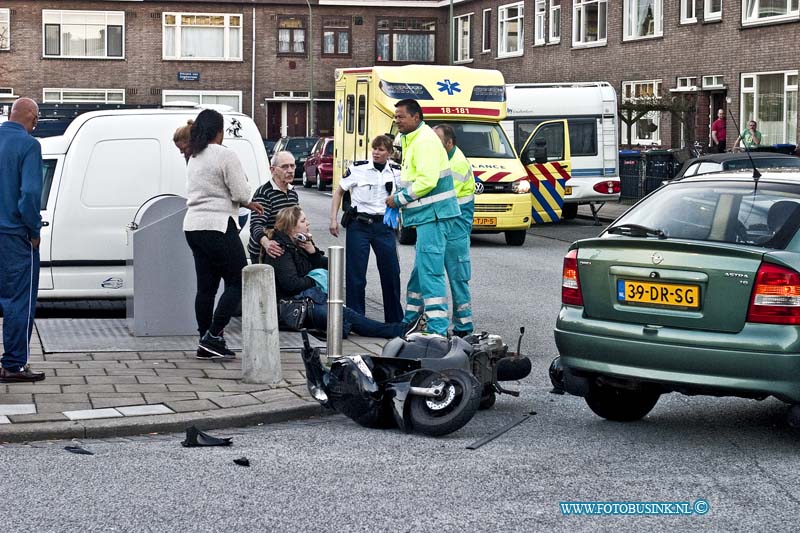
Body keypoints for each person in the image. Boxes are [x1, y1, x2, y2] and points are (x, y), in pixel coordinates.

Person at [183, 109, 264, 359]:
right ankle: (215, 335)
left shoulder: (194, 155)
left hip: (193, 227)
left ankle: (204, 341)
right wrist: (248, 200)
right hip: (218, 224)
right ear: (220, 131)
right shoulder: (225, 155)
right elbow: (240, 191)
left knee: (206, 288)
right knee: (239, 280)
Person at [266, 206, 414, 339]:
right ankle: (399, 330)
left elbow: (330, 266)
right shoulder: (281, 250)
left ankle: (398, 329)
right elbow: (291, 284)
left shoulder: (301, 243)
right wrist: (315, 279)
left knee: (345, 316)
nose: (308, 224)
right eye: (303, 221)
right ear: (292, 227)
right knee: (345, 316)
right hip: (294, 307)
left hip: (310, 299)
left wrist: (312, 253)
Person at [386, 99, 460, 337]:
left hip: (435, 216)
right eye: (395, 117)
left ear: (416, 117)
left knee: (430, 274)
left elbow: (427, 182)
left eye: (401, 117)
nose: (397, 121)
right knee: (419, 275)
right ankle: (410, 322)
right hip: (429, 216)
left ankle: (437, 331)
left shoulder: (425, 141)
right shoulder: (414, 139)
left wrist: (398, 200)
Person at [329, 135, 403, 323]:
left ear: (389, 153)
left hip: (384, 226)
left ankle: (394, 321)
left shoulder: (397, 172)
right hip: (359, 225)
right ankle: (356, 319)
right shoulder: (358, 168)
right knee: (356, 275)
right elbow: (339, 191)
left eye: (381, 150)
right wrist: (333, 219)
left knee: (391, 272)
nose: (376, 153)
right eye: (374, 149)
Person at [0, 98, 46, 383]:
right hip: (15, 236)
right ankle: (13, 364)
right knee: (19, 300)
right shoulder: (29, 145)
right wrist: (34, 230)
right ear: (32, 118)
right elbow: (29, 193)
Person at [433, 124, 475, 337]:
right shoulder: (445, 159)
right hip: (448, 224)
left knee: (457, 278)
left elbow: (443, 195)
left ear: (449, 143)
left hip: (455, 227)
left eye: (437, 141)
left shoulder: (456, 164)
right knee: (432, 274)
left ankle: (464, 328)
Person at [247, 150, 299, 263]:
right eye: (285, 167)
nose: (290, 170)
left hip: (285, 250)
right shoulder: (264, 193)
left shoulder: (293, 192)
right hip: (263, 253)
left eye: (292, 166)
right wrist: (267, 243)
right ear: (273, 170)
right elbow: (256, 225)